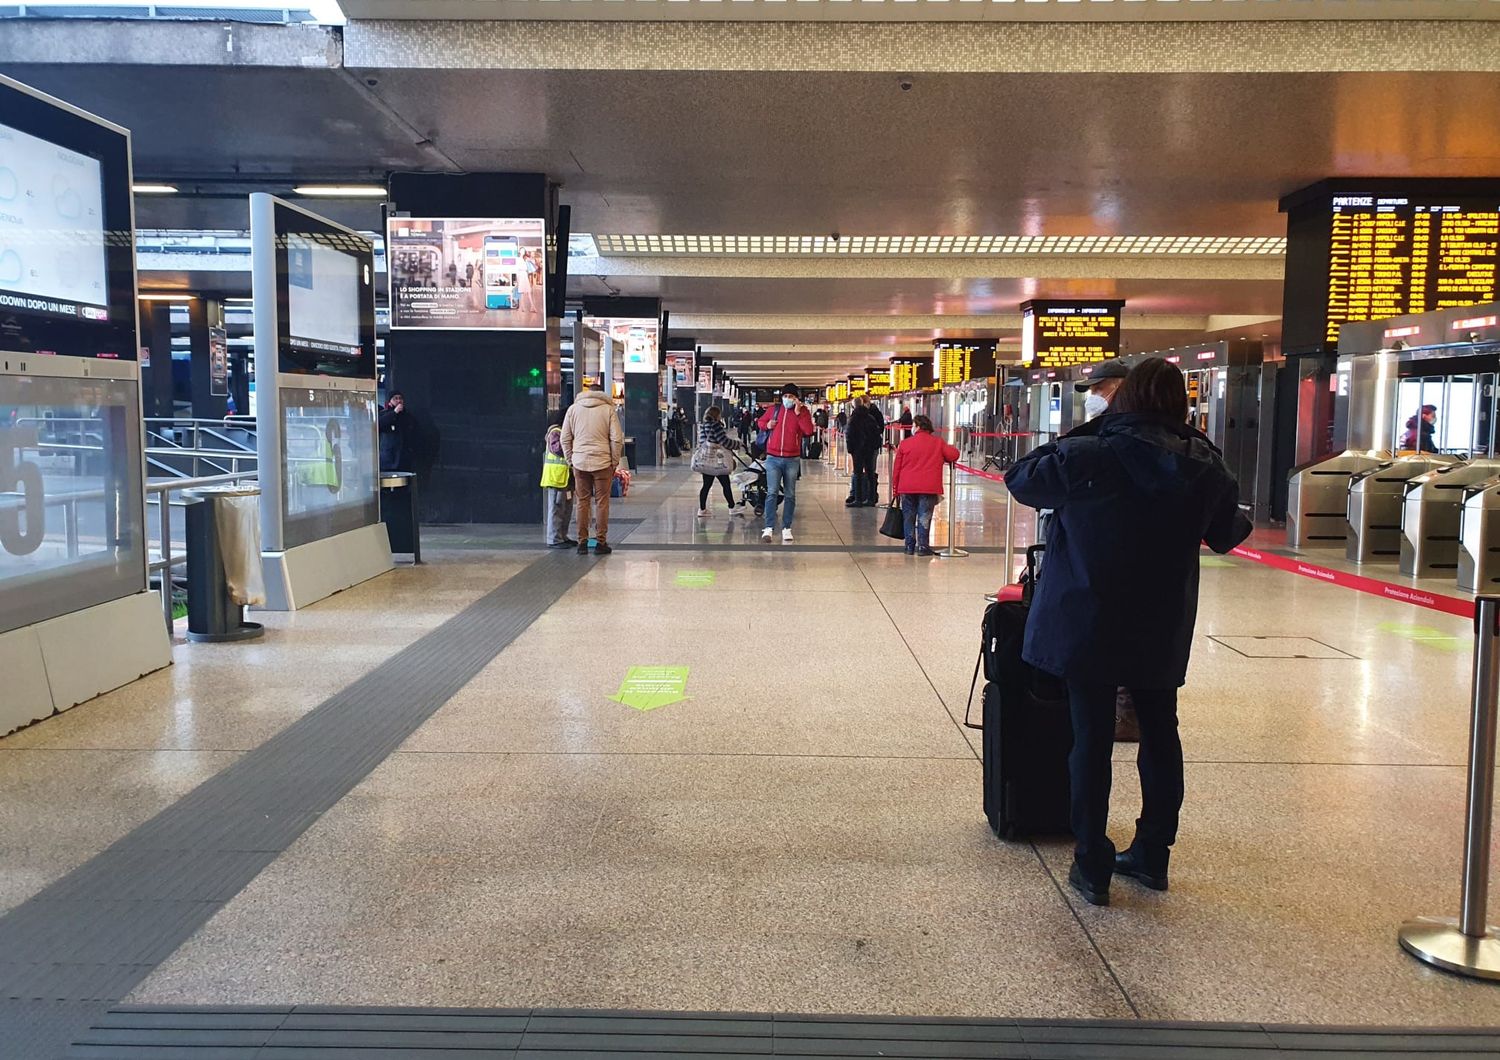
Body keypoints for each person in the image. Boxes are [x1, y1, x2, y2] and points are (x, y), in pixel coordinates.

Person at [1004, 358, 1252, 908]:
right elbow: (1229, 533)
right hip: (1160, 622)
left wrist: (1096, 429)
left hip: (1087, 617)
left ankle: (1091, 861)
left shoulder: (1090, 452)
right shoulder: (1203, 462)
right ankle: (1153, 853)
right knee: (1161, 733)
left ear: (1120, 401)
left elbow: (1021, 477)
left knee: (1090, 738)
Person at [561, 377, 624, 556]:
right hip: (603, 463)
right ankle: (601, 542)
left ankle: (582, 543)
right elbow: (616, 438)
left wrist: (570, 460)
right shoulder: (608, 410)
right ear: (602, 394)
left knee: (582, 502)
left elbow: (565, 438)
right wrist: (614, 461)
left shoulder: (573, 410)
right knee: (602, 503)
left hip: (580, 463)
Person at [891, 414, 959, 556]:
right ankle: (923, 547)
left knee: (908, 517)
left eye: (914, 426)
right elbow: (953, 455)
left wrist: (895, 488)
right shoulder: (938, 443)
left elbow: (897, 468)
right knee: (924, 517)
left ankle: (909, 546)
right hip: (928, 488)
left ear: (918, 426)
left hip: (907, 487)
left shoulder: (905, 443)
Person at [757, 383, 815, 543]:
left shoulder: (803, 412)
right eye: (785, 396)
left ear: (797, 399)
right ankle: (768, 527)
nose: (787, 399)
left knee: (790, 494)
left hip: (792, 459)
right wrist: (767, 425)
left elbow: (808, 431)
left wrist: (798, 414)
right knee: (772, 492)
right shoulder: (774, 410)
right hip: (773, 458)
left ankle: (786, 528)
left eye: (791, 396)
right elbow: (760, 422)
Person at [696, 406, 745, 518]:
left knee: (706, 485)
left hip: (707, 459)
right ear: (716, 415)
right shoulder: (716, 426)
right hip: (717, 461)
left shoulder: (703, 426)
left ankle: (702, 509)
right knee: (726, 484)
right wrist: (738, 444)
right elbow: (724, 442)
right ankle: (732, 508)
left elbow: (702, 442)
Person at [540, 410, 577, 549]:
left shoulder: (564, 432)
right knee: (556, 509)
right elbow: (558, 449)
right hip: (556, 477)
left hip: (566, 477)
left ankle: (563, 535)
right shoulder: (555, 432)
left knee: (566, 509)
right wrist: (572, 443)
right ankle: (554, 538)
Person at [844, 395, 883, 507]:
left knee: (858, 473)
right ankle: (871, 498)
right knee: (870, 473)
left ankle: (858, 499)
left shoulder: (853, 418)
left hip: (857, 451)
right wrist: (874, 447)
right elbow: (876, 433)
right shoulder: (870, 418)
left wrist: (850, 449)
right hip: (869, 450)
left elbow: (849, 435)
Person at [378, 391, 414, 472]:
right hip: (388, 459)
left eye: (400, 398)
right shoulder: (384, 414)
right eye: (395, 398)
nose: (398, 401)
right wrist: (394, 412)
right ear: (390, 401)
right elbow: (380, 424)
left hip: (403, 458)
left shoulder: (408, 416)